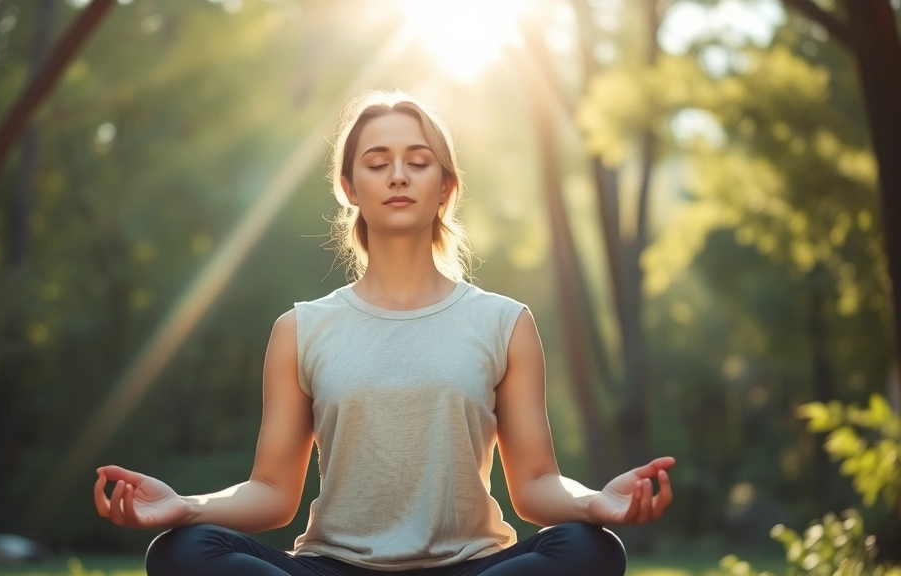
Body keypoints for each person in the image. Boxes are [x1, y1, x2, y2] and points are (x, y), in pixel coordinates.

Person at [93, 90, 675, 576]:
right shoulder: (301, 329)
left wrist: (599, 502)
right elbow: (272, 494)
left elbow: (537, 486)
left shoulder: (505, 323)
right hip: (333, 566)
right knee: (182, 552)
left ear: (446, 186)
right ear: (349, 187)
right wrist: (184, 508)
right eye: (377, 162)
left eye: (419, 161)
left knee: (591, 549)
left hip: (466, 567)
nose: (398, 175)